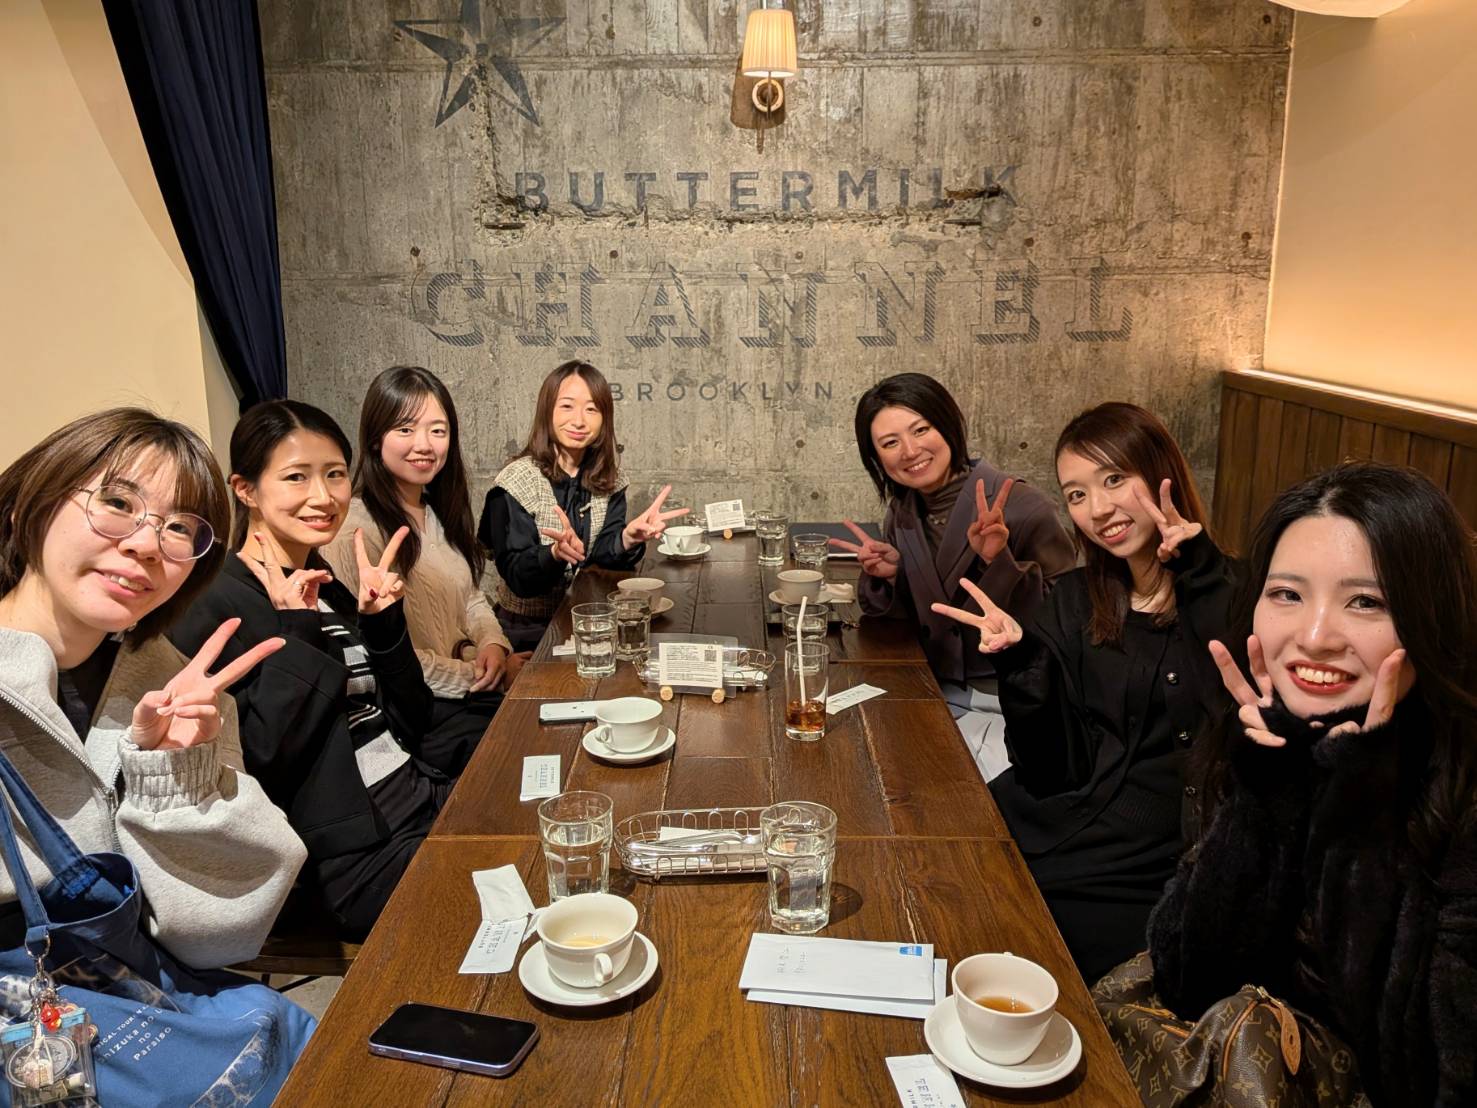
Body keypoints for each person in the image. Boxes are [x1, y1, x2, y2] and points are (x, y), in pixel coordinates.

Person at [1147, 463, 1477, 1105]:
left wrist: (1357, 810)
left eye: (1366, 602)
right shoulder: (1268, 735)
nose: (1315, 637)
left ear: (1431, 617)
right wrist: (1264, 796)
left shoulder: (1461, 789)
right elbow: (1186, 981)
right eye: (1287, 594)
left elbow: (1426, 1078)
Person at [933, 402, 1236, 980]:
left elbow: (1235, 706)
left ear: (1162, 471)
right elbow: (1051, 769)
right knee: (943, 879)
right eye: (1076, 494)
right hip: (1062, 819)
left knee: (1036, 952)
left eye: (1114, 479)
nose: (1098, 509)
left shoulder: (1235, 590)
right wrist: (1022, 663)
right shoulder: (1074, 600)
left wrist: (1198, 573)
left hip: (1152, 856)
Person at [0, 408, 304, 968]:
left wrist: (176, 778)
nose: (147, 545)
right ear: (30, 508)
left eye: (180, 528)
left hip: (129, 998)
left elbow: (222, 939)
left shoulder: (185, 695)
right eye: (118, 503)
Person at [170, 400, 453, 938]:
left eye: (335, 475)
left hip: (419, 796)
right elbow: (264, 763)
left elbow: (414, 720)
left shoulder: (323, 584)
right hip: (348, 860)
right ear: (245, 489)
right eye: (296, 477)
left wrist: (383, 624)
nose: (323, 497)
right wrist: (296, 631)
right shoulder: (213, 603)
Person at [832, 373, 1076, 781]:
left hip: (1010, 703)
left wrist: (998, 561)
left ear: (948, 425)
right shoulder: (903, 513)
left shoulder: (1023, 506)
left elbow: (1068, 618)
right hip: (935, 689)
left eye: (921, 430)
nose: (911, 451)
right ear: (876, 458)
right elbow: (925, 619)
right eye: (890, 443)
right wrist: (896, 576)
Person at [324, 366, 523, 773]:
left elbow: (470, 597)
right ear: (375, 437)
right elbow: (378, 656)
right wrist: (481, 675)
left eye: (437, 430)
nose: (424, 445)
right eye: (405, 429)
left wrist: (493, 646)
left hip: (468, 693)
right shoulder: (356, 531)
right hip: (420, 717)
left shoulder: (434, 511)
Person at [477, 360, 688, 651]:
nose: (579, 420)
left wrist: (627, 538)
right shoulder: (515, 482)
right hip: (529, 632)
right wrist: (553, 554)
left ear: (604, 419)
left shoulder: (608, 479)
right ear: (547, 411)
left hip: (591, 620)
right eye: (567, 406)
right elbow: (517, 576)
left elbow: (601, 555)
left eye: (591, 409)